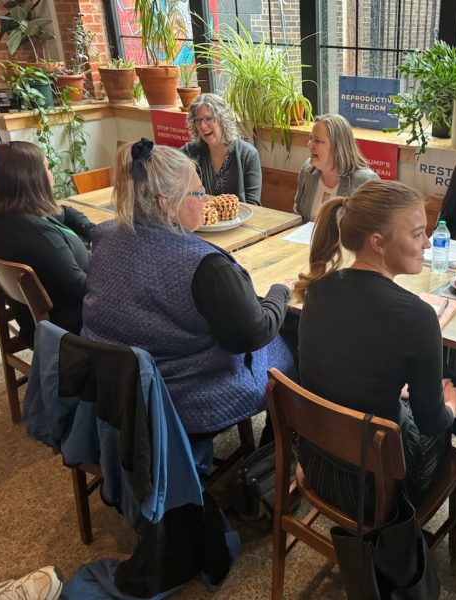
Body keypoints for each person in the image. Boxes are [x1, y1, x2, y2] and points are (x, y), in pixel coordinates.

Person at [293, 180, 456, 514]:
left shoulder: (317, 289)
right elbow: (432, 423)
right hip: (379, 488)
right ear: (378, 243)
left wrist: (394, 391)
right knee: (451, 393)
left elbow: (341, 367)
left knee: (428, 386)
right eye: (418, 234)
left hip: (318, 462)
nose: (429, 242)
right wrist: (449, 404)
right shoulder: (416, 315)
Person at [82, 139, 296, 449]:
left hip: (114, 387)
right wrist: (281, 290)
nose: (206, 198)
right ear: (165, 202)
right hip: (179, 399)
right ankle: (271, 458)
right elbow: (253, 334)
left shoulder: (103, 236)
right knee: (291, 343)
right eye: (197, 192)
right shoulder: (205, 266)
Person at [0, 141, 94, 347]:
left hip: (44, 318)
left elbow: (66, 212)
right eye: (47, 168)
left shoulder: (3, 213)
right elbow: (80, 288)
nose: (51, 174)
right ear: (32, 178)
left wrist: (91, 230)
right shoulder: (36, 234)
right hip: (69, 327)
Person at [293, 114, 379, 221]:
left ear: (338, 146)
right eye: (310, 138)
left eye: (317, 141)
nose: (310, 144)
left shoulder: (365, 181)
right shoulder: (308, 169)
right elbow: (298, 213)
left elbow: (369, 229)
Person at [181, 93, 262, 205]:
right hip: (203, 219)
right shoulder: (190, 151)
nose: (202, 125)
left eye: (208, 118)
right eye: (197, 120)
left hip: (238, 220)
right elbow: (166, 168)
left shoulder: (248, 154)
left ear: (223, 120)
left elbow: (253, 205)